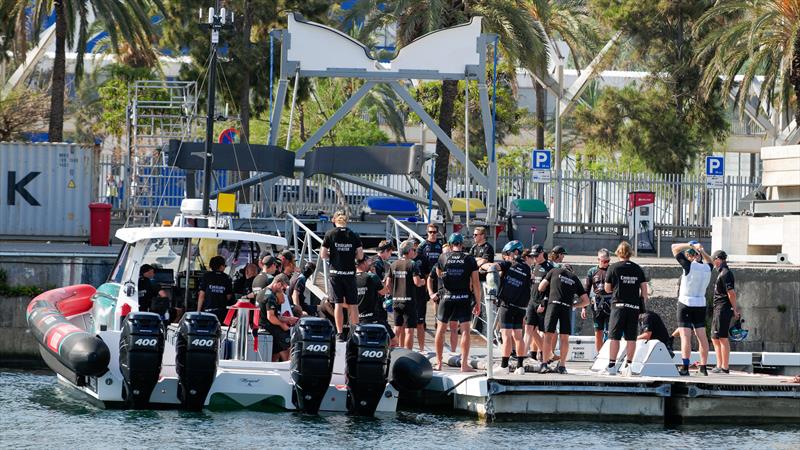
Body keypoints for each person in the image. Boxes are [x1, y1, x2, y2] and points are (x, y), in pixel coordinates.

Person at [434, 233, 481, 372]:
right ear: (462, 244)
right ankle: (464, 364)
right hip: (463, 297)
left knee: (440, 330)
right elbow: (476, 283)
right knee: (465, 330)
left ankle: (439, 363)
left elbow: (438, 272)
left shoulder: (443, 257)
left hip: (447, 297)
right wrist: (478, 302)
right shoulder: (469, 259)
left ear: (449, 244)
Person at [602, 241, 648, 375]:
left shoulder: (613, 268)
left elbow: (607, 288)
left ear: (618, 252)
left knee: (614, 337)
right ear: (630, 253)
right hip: (633, 307)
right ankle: (629, 366)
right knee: (631, 338)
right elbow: (644, 290)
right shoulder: (638, 268)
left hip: (618, 306)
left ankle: (612, 365)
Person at [320, 210, 364, 341]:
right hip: (350, 273)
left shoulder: (330, 234)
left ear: (335, 221)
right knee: (353, 304)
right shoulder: (354, 235)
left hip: (335, 274)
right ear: (346, 221)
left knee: (338, 304)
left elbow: (323, 255)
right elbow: (360, 255)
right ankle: (355, 332)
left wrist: (332, 256)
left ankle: (339, 333)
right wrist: (351, 256)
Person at [537, 265, 590, 374]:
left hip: (553, 305)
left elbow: (541, 287)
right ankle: (562, 366)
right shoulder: (574, 278)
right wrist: (574, 305)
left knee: (548, 335)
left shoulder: (554, 271)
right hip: (566, 307)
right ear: (572, 271)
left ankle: (544, 364)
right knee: (564, 338)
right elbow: (586, 301)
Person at [671, 241, 713, 376]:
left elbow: (674, 248)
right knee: (702, 337)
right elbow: (711, 261)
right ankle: (703, 367)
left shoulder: (688, 266)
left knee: (685, 337)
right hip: (700, 303)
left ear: (691, 256)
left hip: (685, 303)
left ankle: (685, 367)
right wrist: (702, 250)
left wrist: (689, 245)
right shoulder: (707, 268)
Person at [494, 240, 531, 374]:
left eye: (508, 253)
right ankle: (520, 366)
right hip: (521, 307)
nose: (506, 256)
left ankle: (504, 366)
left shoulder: (509, 264)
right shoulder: (527, 268)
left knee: (506, 335)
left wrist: (481, 264)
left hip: (507, 305)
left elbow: (494, 267)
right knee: (518, 336)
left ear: (515, 252)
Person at [387, 240, 425, 349]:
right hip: (408, 301)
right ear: (408, 251)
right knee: (409, 330)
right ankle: (408, 354)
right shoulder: (412, 264)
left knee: (397, 328)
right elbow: (417, 282)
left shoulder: (393, 264)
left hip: (396, 301)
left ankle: (392, 352)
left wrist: (393, 293)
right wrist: (422, 281)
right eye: (413, 249)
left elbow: (388, 284)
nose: (414, 252)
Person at [415, 224, 443, 352]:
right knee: (423, 300)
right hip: (426, 276)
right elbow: (418, 260)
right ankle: (424, 320)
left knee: (437, 299)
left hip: (438, 275)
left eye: (434, 232)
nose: (432, 234)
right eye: (430, 232)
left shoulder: (440, 245)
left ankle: (437, 320)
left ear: (437, 232)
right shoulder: (422, 246)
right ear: (427, 233)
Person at [356, 256, 396, 346]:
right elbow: (384, 291)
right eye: (368, 261)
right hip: (374, 317)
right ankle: (387, 358)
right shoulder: (372, 277)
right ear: (364, 263)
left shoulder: (351, 278)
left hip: (357, 318)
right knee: (394, 341)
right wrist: (376, 275)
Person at [710, 250, 739, 374]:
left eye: (714, 260)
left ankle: (725, 367)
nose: (714, 263)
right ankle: (719, 364)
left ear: (719, 259)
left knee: (722, 337)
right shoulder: (721, 272)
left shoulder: (726, 273)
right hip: (718, 308)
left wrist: (735, 309)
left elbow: (731, 293)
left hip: (723, 308)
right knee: (714, 337)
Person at [258, 274, 297, 362]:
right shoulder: (270, 296)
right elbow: (271, 317)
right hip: (269, 327)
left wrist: (288, 319)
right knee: (290, 346)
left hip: (263, 326)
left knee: (275, 352)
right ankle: (288, 368)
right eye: (283, 289)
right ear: (278, 284)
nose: (283, 291)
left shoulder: (263, 291)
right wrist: (283, 325)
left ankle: (274, 367)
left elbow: (272, 314)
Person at [429, 243, 460, 352]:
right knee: (440, 328)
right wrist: (431, 293)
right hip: (441, 298)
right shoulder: (438, 264)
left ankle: (453, 352)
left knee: (454, 327)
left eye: (448, 251)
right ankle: (440, 355)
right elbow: (430, 278)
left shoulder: (457, 264)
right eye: (445, 252)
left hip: (455, 298)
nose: (447, 254)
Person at [524, 245, 551, 362]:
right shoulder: (533, 266)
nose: (534, 258)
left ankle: (544, 355)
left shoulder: (549, 268)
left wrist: (544, 303)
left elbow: (551, 288)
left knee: (542, 331)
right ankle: (522, 355)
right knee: (528, 328)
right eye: (533, 256)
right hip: (532, 300)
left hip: (542, 302)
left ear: (542, 253)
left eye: (536, 256)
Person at [584, 249, 613, 353]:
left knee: (612, 333)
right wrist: (584, 308)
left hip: (610, 304)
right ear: (598, 260)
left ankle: (611, 356)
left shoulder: (612, 270)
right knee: (598, 332)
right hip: (597, 305)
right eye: (603, 261)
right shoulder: (592, 271)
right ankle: (599, 355)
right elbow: (586, 290)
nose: (606, 264)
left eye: (607, 261)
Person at [197, 256, 234, 323]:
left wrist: (198, 312)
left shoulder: (206, 276)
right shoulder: (227, 278)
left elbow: (201, 295)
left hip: (208, 311)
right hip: (221, 312)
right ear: (221, 266)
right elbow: (228, 297)